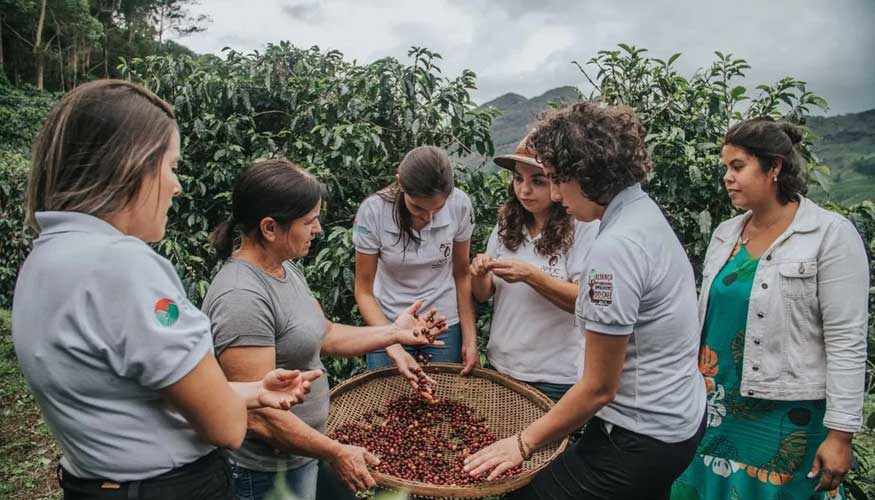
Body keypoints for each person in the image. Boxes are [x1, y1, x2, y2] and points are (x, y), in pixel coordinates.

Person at [12, 79, 318, 500]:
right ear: (129, 165)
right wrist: (239, 404)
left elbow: (138, 390)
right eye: (171, 166)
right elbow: (226, 428)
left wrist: (253, 390)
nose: (176, 186)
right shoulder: (125, 266)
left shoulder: (45, 257)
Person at [463, 102, 706, 500]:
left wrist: (521, 444)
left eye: (556, 179)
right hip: (674, 419)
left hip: (640, 432)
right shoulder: (641, 213)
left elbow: (597, 387)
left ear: (589, 173)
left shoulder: (615, 247)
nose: (555, 193)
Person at [202, 159, 447, 500]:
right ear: (270, 228)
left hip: (305, 455)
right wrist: (336, 451)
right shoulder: (242, 297)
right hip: (269, 474)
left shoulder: (285, 268)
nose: (317, 229)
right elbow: (261, 415)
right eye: (309, 220)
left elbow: (326, 333)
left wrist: (394, 333)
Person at [671, 118, 869, 500]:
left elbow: (846, 339)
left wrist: (841, 434)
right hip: (714, 409)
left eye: (738, 166)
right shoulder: (725, 234)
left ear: (774, 166)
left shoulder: (829, 234)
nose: (728, 177)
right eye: (725, 167)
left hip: (785, 417)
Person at [470, 132, 598, 402]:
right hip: (502, 366)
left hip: (553, 376)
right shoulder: (507, 225)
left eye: (537, 181)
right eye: (518, 179)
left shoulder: (583, 227)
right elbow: (484, 294)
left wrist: (531, 276)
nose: (524, 191)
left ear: (557, 182)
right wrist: (479, 272)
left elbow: (585, 301)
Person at [353, 145, 479, 377]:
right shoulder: (373, 212)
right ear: (400, 183)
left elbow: (461, 273)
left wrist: (470, 340)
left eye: (437, 209)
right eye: (418, 208)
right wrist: (392, 342)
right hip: (388, 320)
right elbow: (364, 291)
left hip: (443, 324)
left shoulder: (460, 205)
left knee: (442, 401)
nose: (428, 217)